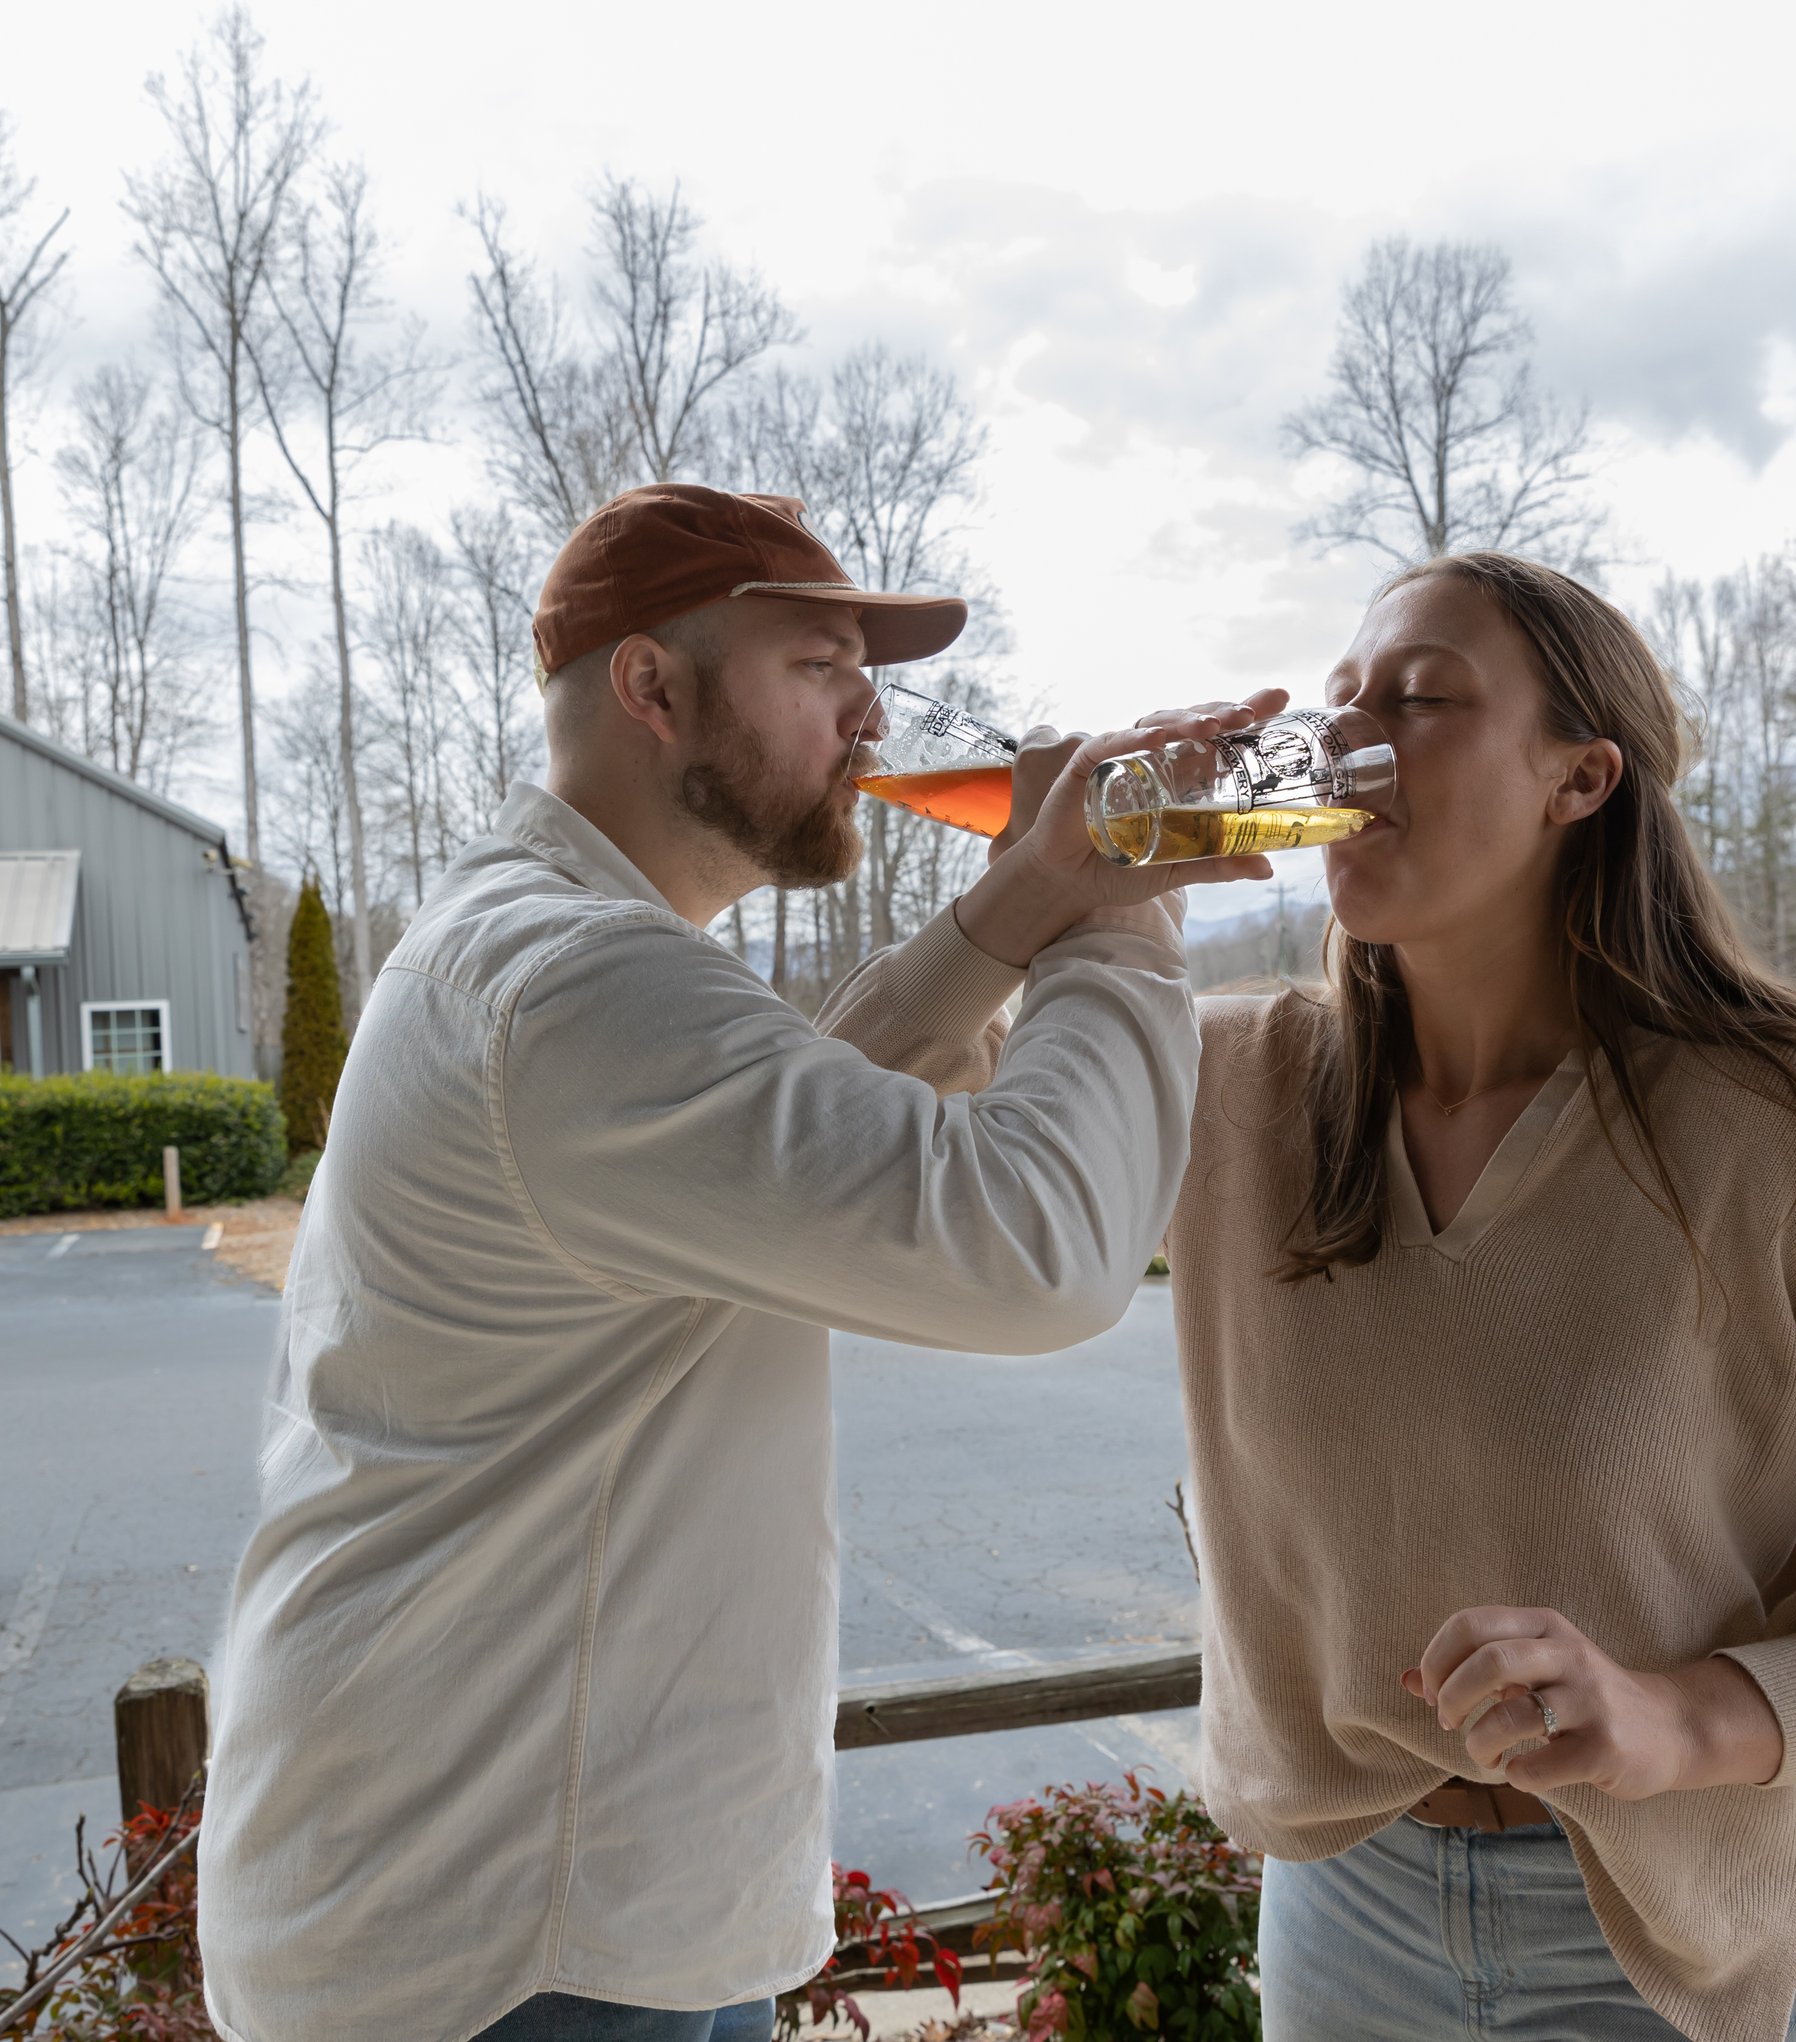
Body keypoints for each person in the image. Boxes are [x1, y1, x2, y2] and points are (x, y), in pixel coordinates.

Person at [888, 553, 1796, 2041]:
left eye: (1417, 700)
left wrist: (1690, 1715)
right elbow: (853, 1155)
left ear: (1582, 778)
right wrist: (1042, 890)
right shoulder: (1228, 1087)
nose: (1349, 745)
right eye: (1339, 703)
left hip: (1690, 1941)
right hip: (1349, 1916)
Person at [196, 484, 1272, 2042]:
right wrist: (1121, 908)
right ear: (652, 686)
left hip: (572, 1901)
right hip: (506, 1939)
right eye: (820, 667)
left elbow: (805, 1115)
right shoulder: (572, 987)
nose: (874, 713)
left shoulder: (560, 948)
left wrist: (1027, 895)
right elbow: (1037, 1247)